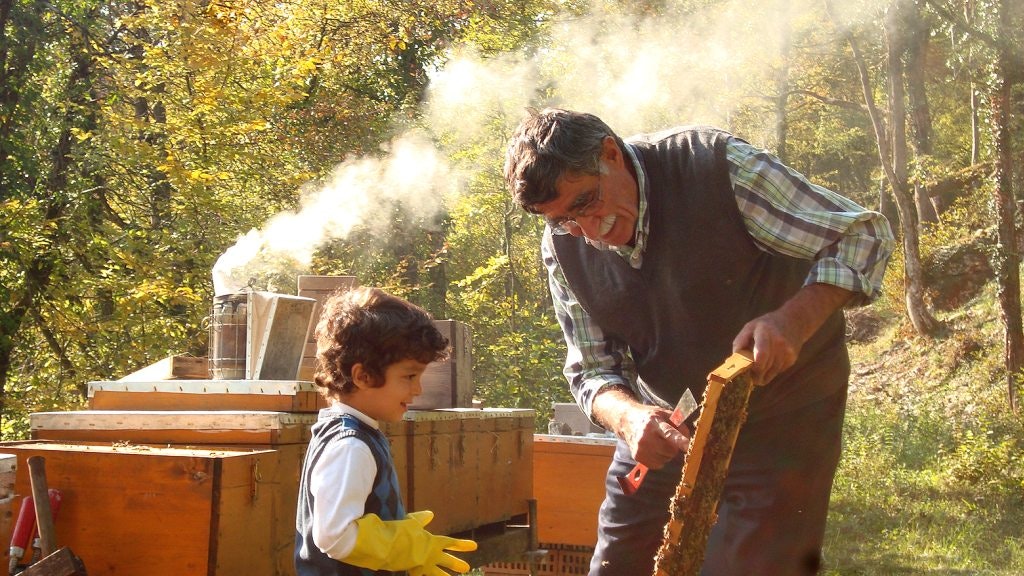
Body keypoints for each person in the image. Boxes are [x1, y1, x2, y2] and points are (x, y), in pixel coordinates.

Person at [503, 108, 894, 575]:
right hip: (667, 422)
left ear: (610, 153)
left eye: (587, 202)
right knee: (617, 564)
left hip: (786, 416)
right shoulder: (563, 247)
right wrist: (629, 418)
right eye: (564, 219)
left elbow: (862, 236)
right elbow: (592, 369)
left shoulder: (717, 169)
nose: (588, 231)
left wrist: (795, 320)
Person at [295, 286, 477, 576]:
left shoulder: (356, 433)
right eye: (409, 376)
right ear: (363, 376)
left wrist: (393, 527)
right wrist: (405, 545)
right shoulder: (350, 446)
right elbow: (334, 536)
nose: (417, 389)